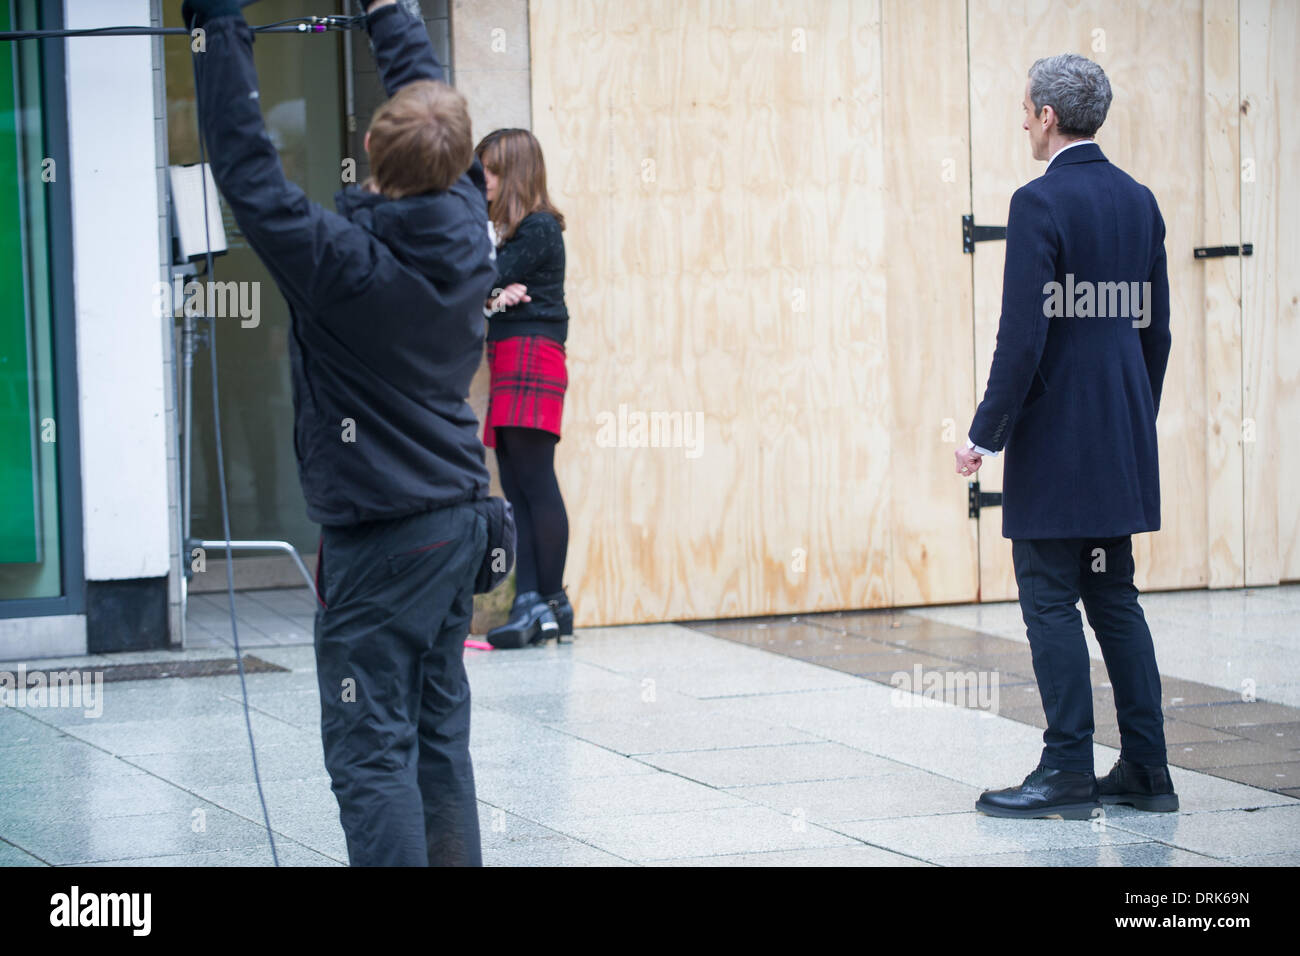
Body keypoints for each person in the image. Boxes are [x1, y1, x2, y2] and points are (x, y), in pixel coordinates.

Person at [186, 0, 498, 864]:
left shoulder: (344, 263)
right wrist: (391, 12)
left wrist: (218, 26)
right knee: (437, 741)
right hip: (454, 526)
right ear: (459, 161)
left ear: (369, 149)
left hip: (385, 544)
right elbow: (428, 111)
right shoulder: (469, 223)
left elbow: (249, 173)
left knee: (374, 752)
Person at [956, 54, 1177, 819]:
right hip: (1117, 432)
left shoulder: (1039, 202)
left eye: (1025, 108)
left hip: (1057, 438)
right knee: (1113, 595)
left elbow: (1023, 335)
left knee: (1049, 597)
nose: (1021, 118)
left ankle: (1066, 771)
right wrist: (1129, 417)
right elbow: (1157, 331)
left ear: (1048, 116)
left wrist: (986, 436)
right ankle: (1148, 769)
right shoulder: (1140, 201)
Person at [474, 128, 574, 649]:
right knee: (516, 486)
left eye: (489, 170)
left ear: (513, 173)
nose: (481, 180)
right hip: (513, 354)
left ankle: (546, 600)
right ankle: (531, 600)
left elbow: (475, 277)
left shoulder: (538, 228)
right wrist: (493, 294)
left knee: (534, 482)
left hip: (533, 354)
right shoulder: (515, 232)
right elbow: (484, 282)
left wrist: (490, 286)